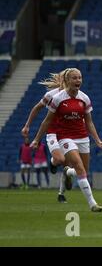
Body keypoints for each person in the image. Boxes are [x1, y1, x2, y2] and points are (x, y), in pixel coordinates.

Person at [30, 68, 102, 212]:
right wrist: (36, 139)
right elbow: (47, 121)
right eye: (74, 78)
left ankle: (67, 172)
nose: (78, 80)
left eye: (79, 78)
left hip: (82, 137)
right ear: (67, 81)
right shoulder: (58, 98)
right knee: (79, 166)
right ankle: (93, 204)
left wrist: (97, 140)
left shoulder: (84, 98)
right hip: (65, 137)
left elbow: (89, 122)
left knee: (83, 171)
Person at [21, 70, 70, 203]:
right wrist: (27, 125)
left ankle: (61, 193)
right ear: (61, 80)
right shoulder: (51, 95)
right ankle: (53, 162)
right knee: (60, 160)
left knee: (67, 164)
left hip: (67, 132)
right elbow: (36, 108)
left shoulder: (74, 96)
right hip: (53, 132)